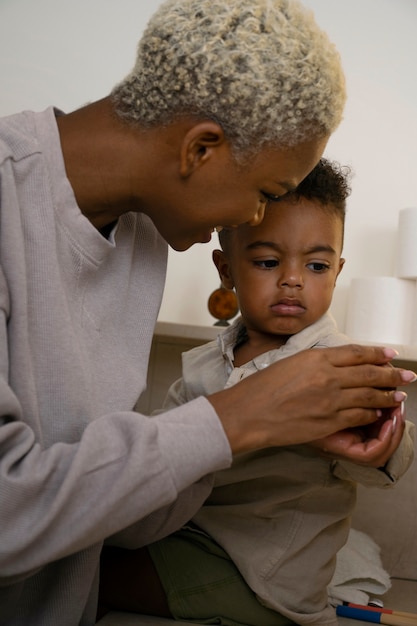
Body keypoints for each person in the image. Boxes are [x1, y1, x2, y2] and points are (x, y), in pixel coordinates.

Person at [0, 0, 415, 624]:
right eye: (267, 195)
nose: (253, 220)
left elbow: (112, 496)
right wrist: (239, 417)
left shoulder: (142, 229)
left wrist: (271, 434)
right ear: (201, 149)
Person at [97, 159, 414, 625]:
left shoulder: (339, 363)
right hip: (192, 534)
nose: (293, 278)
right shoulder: (208, 361)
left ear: (338, 270)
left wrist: (383, 443)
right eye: (268, 262)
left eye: (317, 264)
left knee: (92, 580)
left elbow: (394, 446)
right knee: (84, 550)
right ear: (226, 269)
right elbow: (162, 444)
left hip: (260, 571)